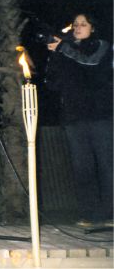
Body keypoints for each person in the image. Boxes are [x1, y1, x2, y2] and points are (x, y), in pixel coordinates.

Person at [45, 13, 113, 226]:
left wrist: (63, 49)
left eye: (83, 24)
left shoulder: (102, 45)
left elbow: (91, 62)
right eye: (75, 24)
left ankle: (110, 213)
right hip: (74, 117)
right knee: (82, 167)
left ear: (93, 28)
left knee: (106, 165)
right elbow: (53, 83)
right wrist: (55, 56)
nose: (78, 27)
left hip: (100, 115)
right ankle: (90, 214)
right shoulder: (67, 50)